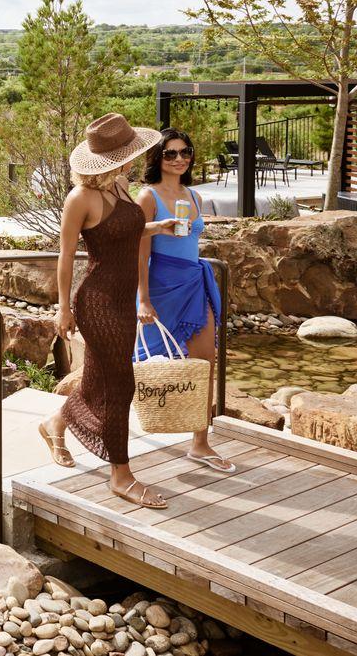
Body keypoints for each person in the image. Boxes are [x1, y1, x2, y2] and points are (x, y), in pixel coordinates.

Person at [37, 113, 180, 509]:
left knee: (100, 379)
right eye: (127, 155)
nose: (133, 161)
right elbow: (66, 257)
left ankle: (56, 423)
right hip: (97, 302)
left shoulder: (119, 187)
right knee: (120, 384)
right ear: (110, 159)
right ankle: (121, 474)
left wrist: (157, 227)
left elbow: (123, 232)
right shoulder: (79, 198)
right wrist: (62, 309)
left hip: (123, 299)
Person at [136, 129, 235, 473]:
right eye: (170, 153)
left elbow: (189, 239)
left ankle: (200, 443)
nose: (179, 159)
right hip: (161, 287)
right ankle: (64, 421)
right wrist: (143, 299)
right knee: (133, 366)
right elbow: (140, 249)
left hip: (193, 282)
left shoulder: (194, 195)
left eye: (185, 152)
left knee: (205, 363)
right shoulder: (147, 197)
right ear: (157, 158)